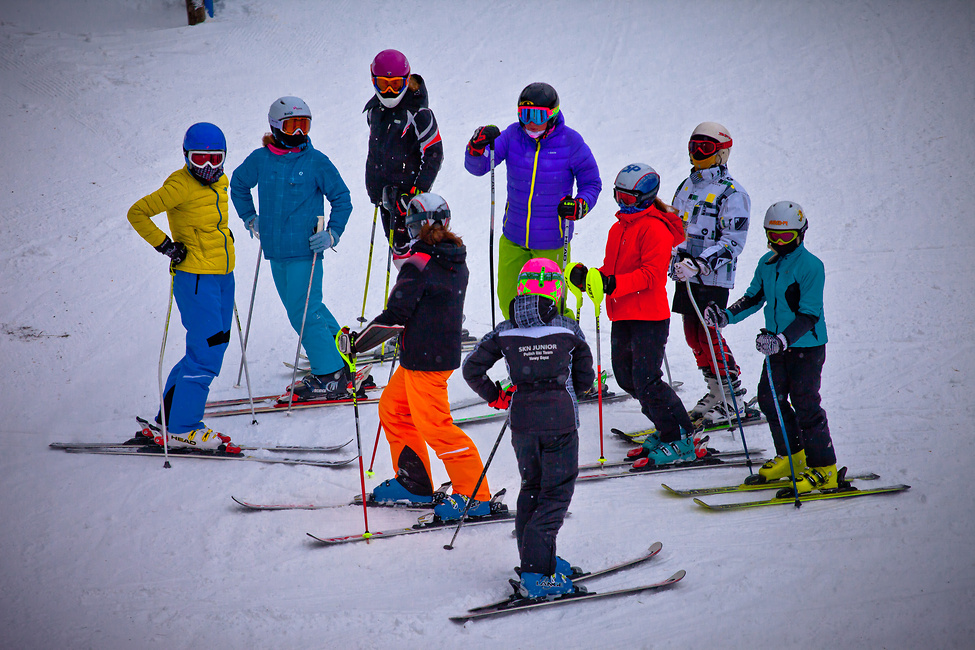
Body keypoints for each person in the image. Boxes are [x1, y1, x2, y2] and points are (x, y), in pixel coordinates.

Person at [351, 193, 493, 520]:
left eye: (410, 225)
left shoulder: (420, 263)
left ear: (417, 226)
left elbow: (396, 315)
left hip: (425, 362)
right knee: (394, 409)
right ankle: (414, 483)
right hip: (428, 356)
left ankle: (475, 496)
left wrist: (356, 344)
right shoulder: (453, 257)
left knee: (437, 428)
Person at [463, 258, 595, 598]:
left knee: (532, 488)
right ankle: (538, 575)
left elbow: (471, 368)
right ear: (556, 290)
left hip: (522, 422)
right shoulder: (567, 328)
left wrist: (496, 395)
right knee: (555, 495)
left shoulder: (504, 331)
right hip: (560, 421)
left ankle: (537, 559)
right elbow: (585, 378)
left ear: (521, 288)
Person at [703, 201, 838, 493]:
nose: (779, 242)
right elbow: (754, 297)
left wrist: (782, 340)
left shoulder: (812, 266)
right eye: (773, 236)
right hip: (775, 347)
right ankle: (792, 457)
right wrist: (726, 316)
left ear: (800, 234)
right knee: (769, 400)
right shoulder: (767, 263)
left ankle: (825, 467)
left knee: (805, 404)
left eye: (785, 237)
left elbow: (809, 314)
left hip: (806, 347)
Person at [570, 164, 698, 466]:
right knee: (627, 378)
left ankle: (681, 436)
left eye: (628, 198)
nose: (622, 203)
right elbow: (613, 271)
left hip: (648, 317)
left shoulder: (654, 228)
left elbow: (651, 275)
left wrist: (612, 284)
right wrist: (591, 277)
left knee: (647, 380)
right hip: (623, 313)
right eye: (618, 196)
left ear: (645, 197)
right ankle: (665, 428)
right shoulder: (618, 228)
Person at [230, 96, 355, 401]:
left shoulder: (316, 161)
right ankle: (342, 359)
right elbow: (238, 184)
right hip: (276, 252)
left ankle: (329, 375)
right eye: (292, 126)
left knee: (303, 312)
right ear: (275, 127)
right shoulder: (261, 160)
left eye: (304, 126)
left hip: (305, 252)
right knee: (306, 309)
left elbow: (342, 198)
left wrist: (333, 234)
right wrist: (250, 218)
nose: (299, 133)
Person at [127, 122, 236, 450]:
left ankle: (169, 418)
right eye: (200, 158)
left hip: (222, 276)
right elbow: (138, 212)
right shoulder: (180, 185)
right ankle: (183, 427)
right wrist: (165, 245)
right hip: (196, 279)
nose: (209, 167)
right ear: (187, 156)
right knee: (206, 353)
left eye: (216, 159)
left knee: (214, 345)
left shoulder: (221, 181)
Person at [465, 82, 601, 320]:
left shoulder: (571, 142)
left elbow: (591, 183)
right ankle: (516, 341)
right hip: (513, 237)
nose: (530, 122)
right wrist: (476, 147)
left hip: (551, 241)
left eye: (538, 115)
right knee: (508, 301)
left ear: (553, 115)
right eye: (524, 114)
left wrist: (581, 205)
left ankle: (564, 337)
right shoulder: (512, 136)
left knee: (551, 307)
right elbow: (479, 167)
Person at [670, 121, 752, 425]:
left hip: (712, 277)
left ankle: (734, 398)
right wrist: (672, 258)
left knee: (709, 334)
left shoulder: (732, 193)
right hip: (685, 275)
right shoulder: (687, 185)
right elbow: (674, 227)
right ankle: (716, 392)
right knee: (692, 335)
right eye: (693, 147)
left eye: (705, 148)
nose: (697, 153)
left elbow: (733, 242)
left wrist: (700, 263)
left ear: (721, 153)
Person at [365, 49, 443, 268]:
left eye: (396, 85)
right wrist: (375, 187)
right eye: (383, 84)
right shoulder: (374, 111)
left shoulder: (419, 113)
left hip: (408, 199)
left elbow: (434, 154)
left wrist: (415, 193)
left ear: (407, 81)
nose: (390, 92)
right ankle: (406, 285)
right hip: (384, 196)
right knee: (397, 249)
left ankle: (418, 284)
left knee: (412, 251)